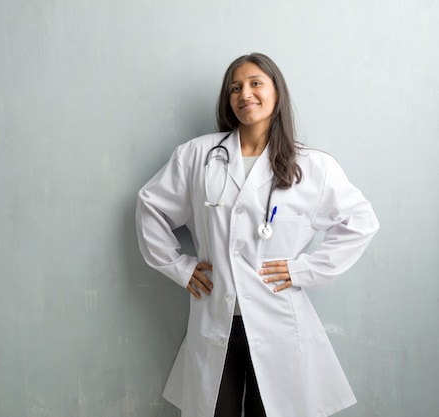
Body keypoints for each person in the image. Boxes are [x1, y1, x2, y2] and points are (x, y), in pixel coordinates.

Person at [135, 52, 379, 417]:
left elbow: (361, 222)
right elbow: (149, 207)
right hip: (218, 316)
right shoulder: (198, 156)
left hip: (279, 319)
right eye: (235, 87)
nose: (244, 93)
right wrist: (180, 267)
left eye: (255, 83)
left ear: (277, 93)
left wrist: (303, 270)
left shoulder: (312, 166)